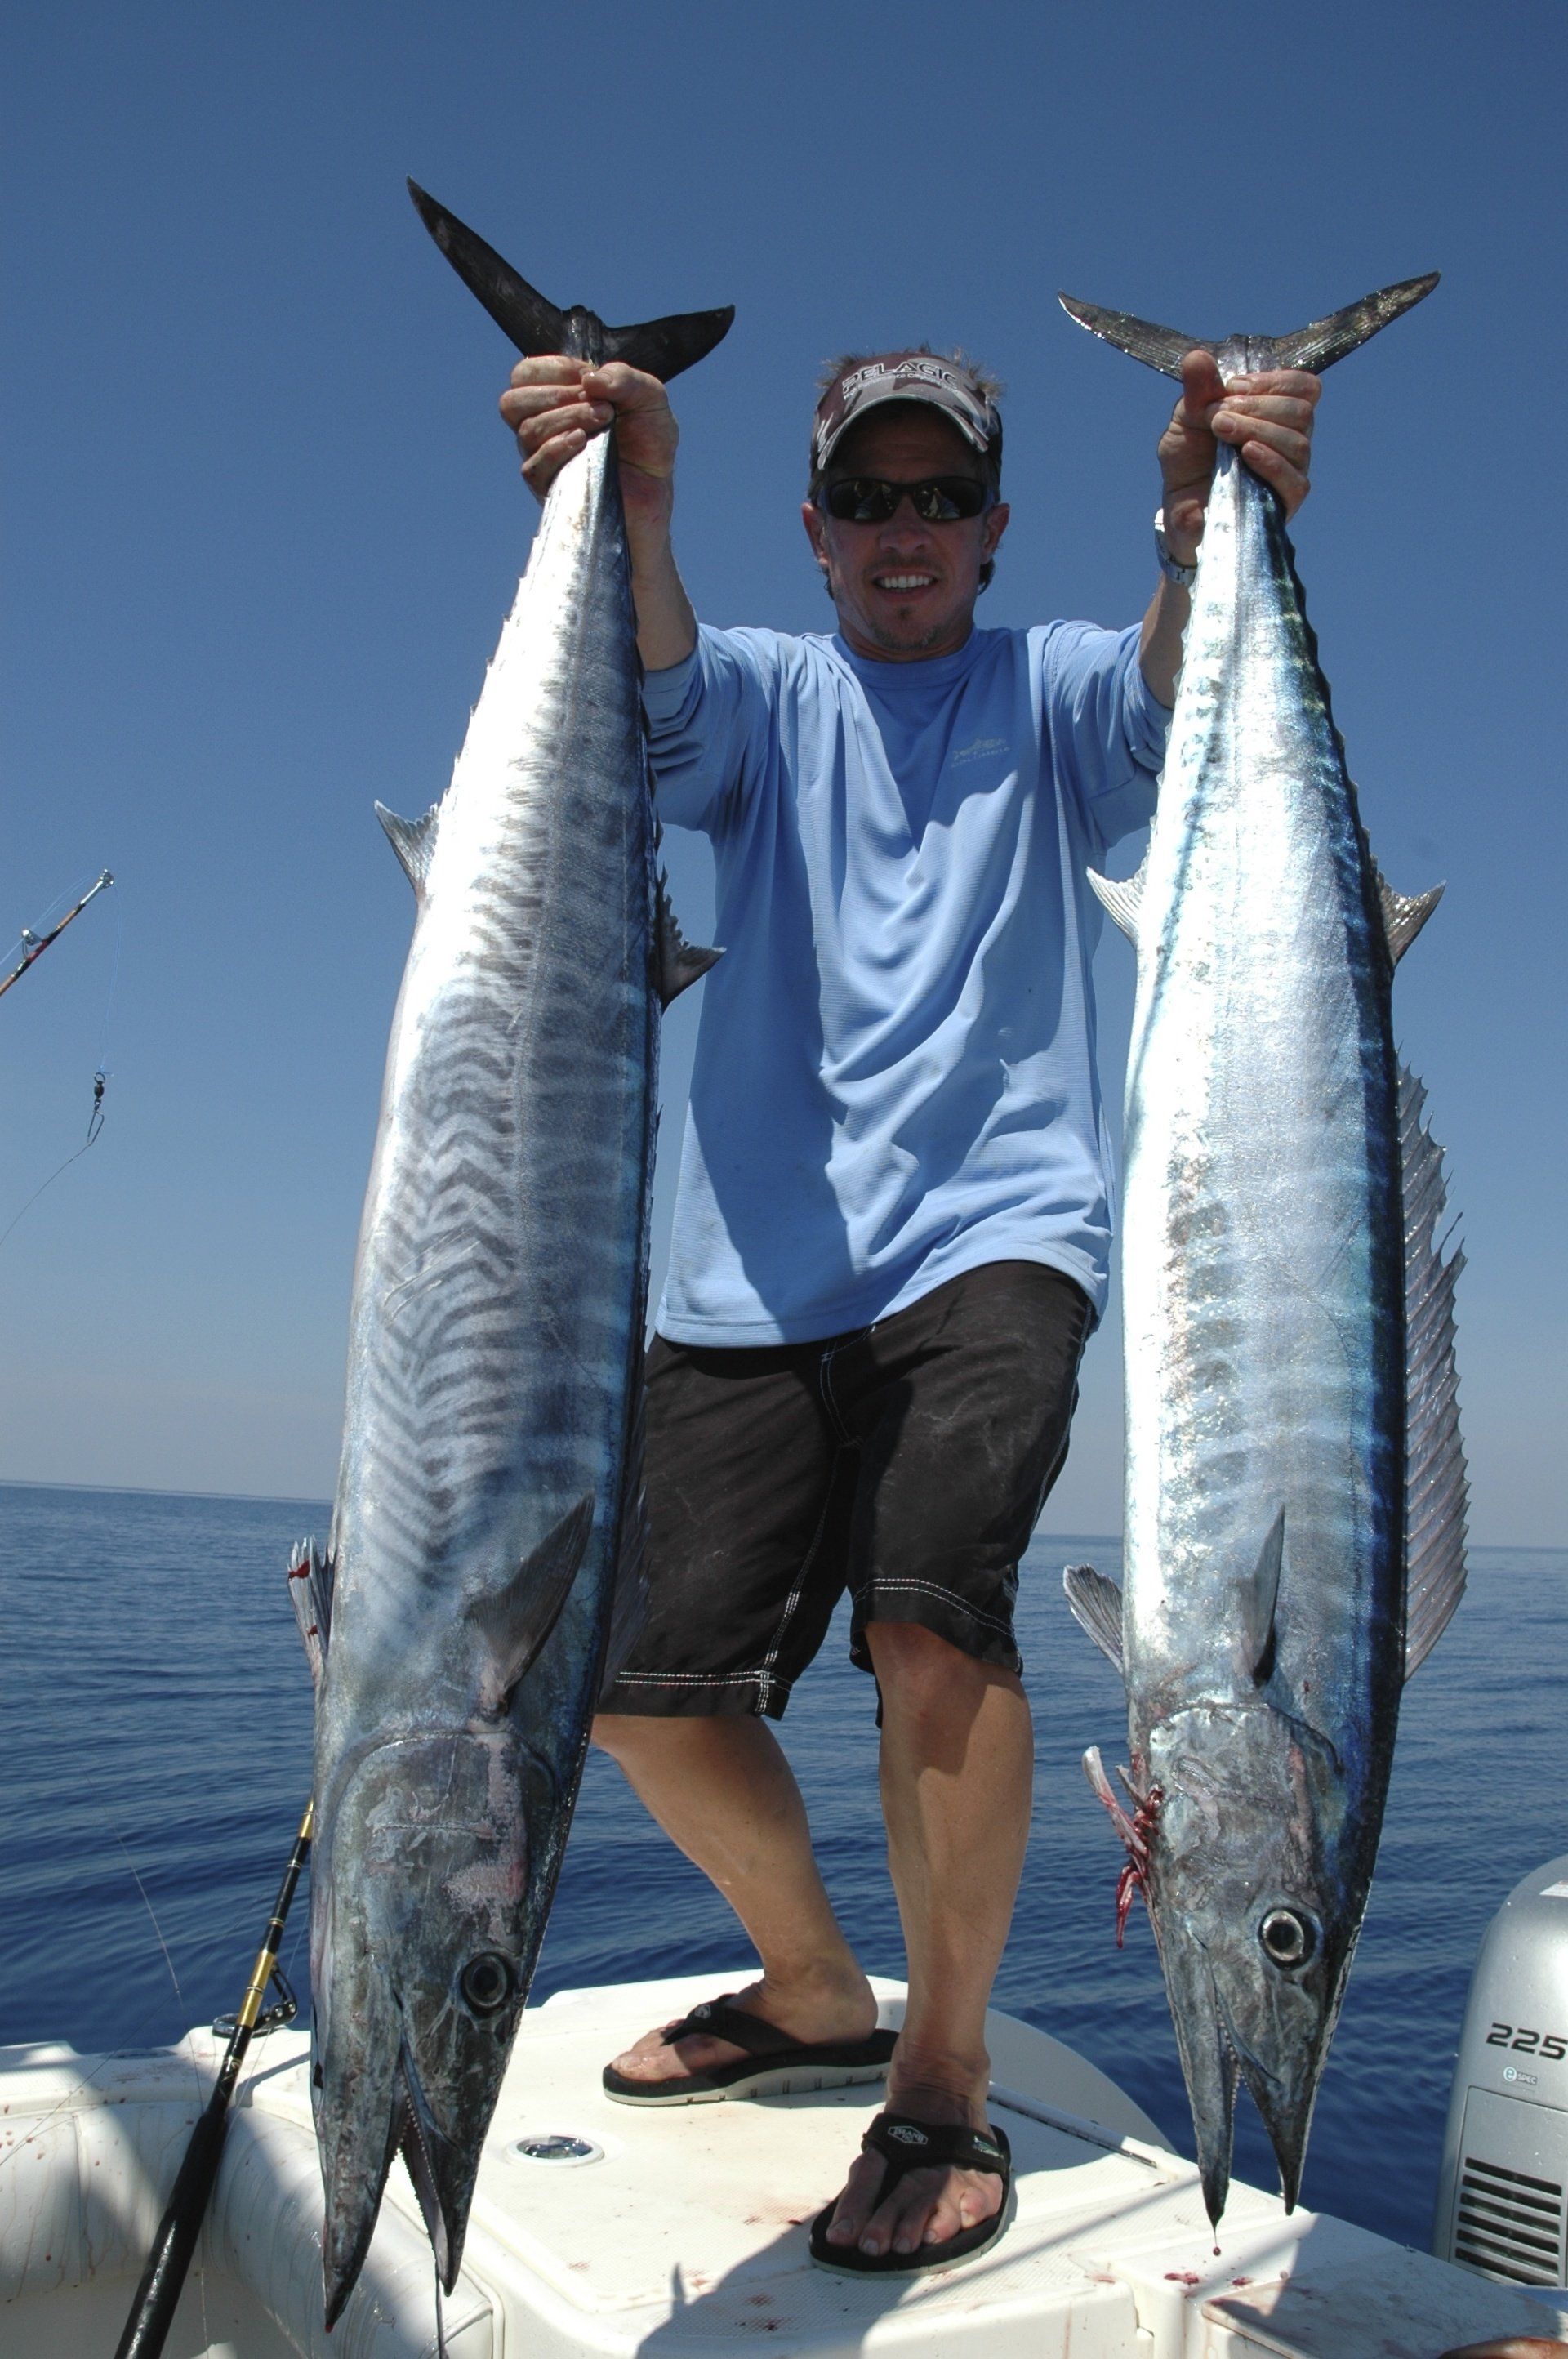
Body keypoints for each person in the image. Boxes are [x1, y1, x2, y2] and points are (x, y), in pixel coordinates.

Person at [501, 332, 1319, 2273]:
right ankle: (809, 1986)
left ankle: (940, 2080)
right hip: (748, 1268)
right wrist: (631, 498)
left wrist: (1207, 512)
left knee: (933, 1620)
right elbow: (655, 695)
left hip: (998, 1243)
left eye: (940, 495)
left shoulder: (1046, 695)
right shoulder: (768, 702)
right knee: (627, 1686)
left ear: (993, 525)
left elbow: (1173, 687)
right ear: (813, 528)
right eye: (867, 497)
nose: (904, 529)